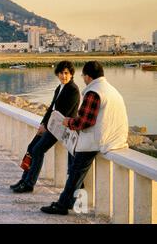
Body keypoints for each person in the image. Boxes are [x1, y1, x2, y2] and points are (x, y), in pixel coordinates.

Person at [41, 61, 129, 215]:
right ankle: (68, 202)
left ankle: (63, 205)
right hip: (116, 138)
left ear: (88, 76)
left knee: (75, 170)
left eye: (83, 76)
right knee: (76, 169)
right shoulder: (110, 89)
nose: (83, 79)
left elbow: (85, 121)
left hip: (99, 140)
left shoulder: (94, 92)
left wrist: (68, 122)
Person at [10, 61, 80, 193]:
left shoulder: (73, 90)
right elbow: (51, 109)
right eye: (61, 73)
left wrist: (47, 127)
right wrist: (43, 123)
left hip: (61, 128)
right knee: (31, 148)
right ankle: (24, 179)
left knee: (38, 150)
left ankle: (29, 184)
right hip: (51, 125)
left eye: (66, 73)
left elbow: (63, 113)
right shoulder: (60, 88)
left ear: (71, 74)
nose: (63, 76)